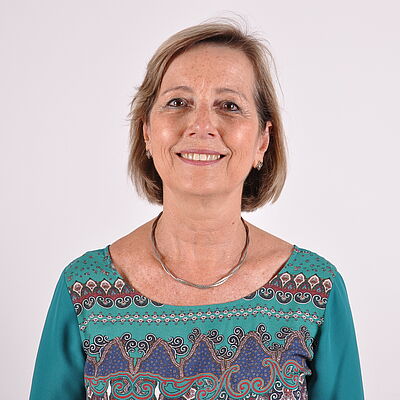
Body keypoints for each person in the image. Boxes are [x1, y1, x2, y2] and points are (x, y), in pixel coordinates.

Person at [29, 19, 364, 400]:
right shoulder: (83, 291)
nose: (201, 125)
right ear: (147, 132)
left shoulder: (315, 292)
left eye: (229, 105)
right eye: (178, 103)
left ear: (262, 140)